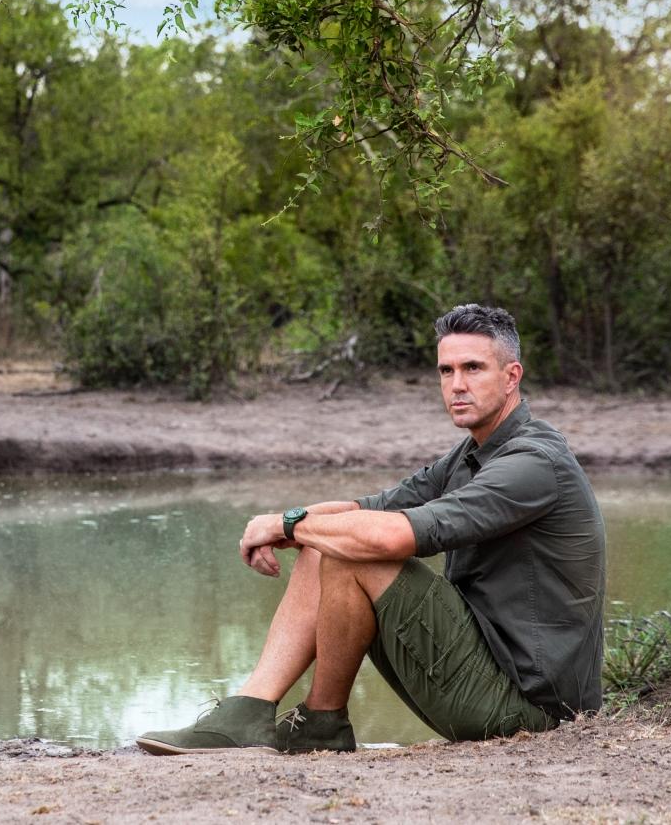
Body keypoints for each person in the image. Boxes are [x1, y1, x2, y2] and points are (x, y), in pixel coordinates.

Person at [136, 303, 606, 754]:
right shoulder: (470, 454)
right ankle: (264, 710)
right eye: (446, 371)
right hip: (485, 675)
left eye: (473, 368)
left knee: (349, 548)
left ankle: (314, 720)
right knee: (331, 538)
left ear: (511, 377)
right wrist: (281, 525)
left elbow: (392, 536)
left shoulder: (533, 462)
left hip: (532, 709)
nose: (457, 385)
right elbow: (371, 508)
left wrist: (289, 524)